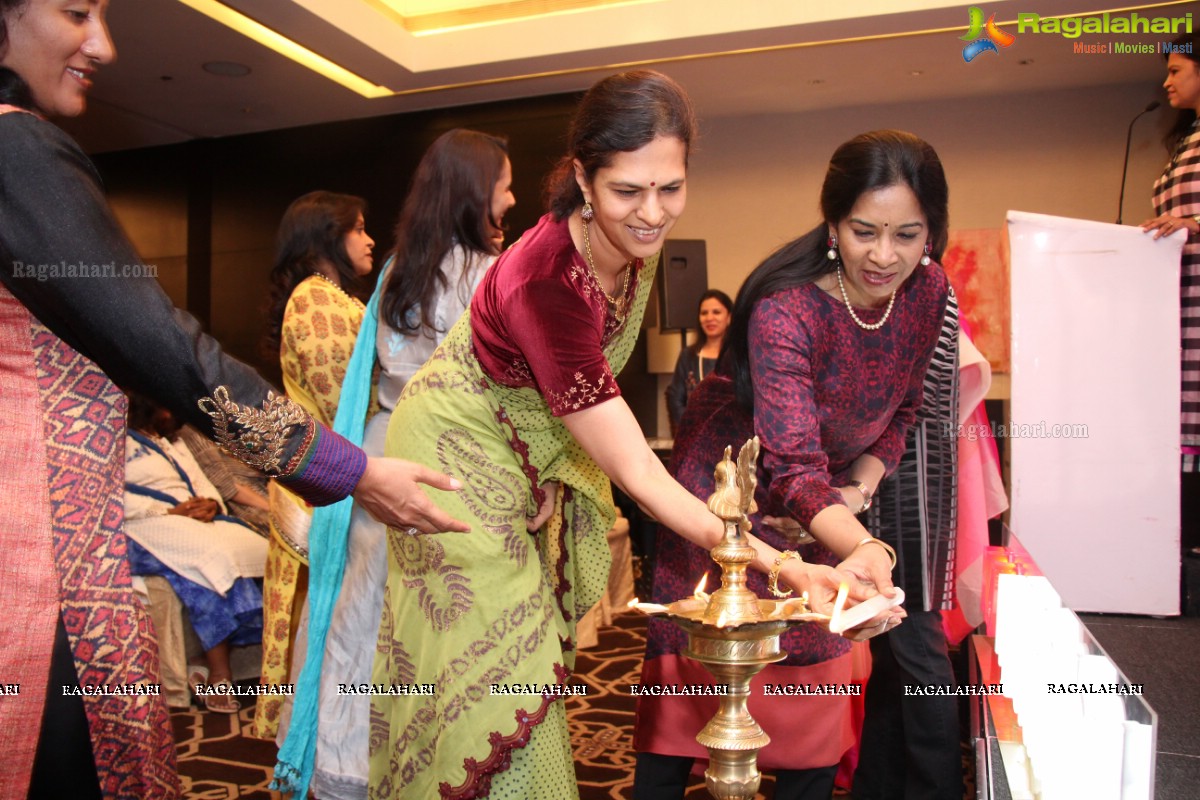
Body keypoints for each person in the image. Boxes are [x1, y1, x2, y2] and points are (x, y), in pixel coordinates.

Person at [343, 69, 896, 800]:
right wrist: (789, 568)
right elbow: (639, 469)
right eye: (627, 191)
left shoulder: (629, 247)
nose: (651, 213)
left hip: (518, 451)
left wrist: (544, 471)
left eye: (670, 188)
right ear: (582, 176)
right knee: (500, 677)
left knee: (522, 663)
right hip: (451, 455)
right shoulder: (545, 280)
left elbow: (559, 409)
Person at [0, 3, 465, 797]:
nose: (104, 43)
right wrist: (347, 469)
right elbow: (165, 348)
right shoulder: (16, 150)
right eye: (76, 9)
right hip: (36, 564)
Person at [634, 130, 958, 800]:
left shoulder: (928, 293)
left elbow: (905, 412)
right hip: (727, 489)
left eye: (907, 234)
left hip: (828, 504)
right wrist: (862, 542)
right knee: (700, 677)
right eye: (864, 231)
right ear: (833, 225)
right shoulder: (789, 307)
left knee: (815, 683)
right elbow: (791, 466)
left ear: (933, 233)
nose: (884, 255)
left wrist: (859, 495)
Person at [274, 128, 516, 800]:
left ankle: (345, 766)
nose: (513, 197)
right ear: (475, 190)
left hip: (379, 454)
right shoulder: (492, 275)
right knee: (439, 626)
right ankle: (433, 763)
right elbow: (506, 389)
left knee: (363, 614)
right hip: (449, 461)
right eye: (504, 185)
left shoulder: (398, 267)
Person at [253, 190, 374, 740]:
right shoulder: (317, 301)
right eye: (359, 228)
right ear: (329, 236)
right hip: (328, 489)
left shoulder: (325, 297)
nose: (370, 239)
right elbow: (342, 404)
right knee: (329, 634)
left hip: (332, 482)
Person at [123, 394, 266, 714]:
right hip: (141, 526)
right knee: (205, 557)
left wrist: (209, 504)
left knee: (258, 547)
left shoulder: (173, 442)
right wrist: (169, 510)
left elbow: (203, 485)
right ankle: (219, 674)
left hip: (190, 520)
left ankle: (212, 661)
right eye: (166, 404)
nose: (174, 414)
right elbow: (106, 495)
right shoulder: (112, 442)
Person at [1141, 32, 1200, 558]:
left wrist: (1193, 223)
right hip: (1182, 307)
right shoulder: (1187, 139)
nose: (1167, 80)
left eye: (1178, 69)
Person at [665, 288, 732, 434]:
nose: (709, 318)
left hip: (732, 436)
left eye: (716, 312)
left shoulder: (737, 356)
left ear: (729, 317)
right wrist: (694, 427)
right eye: (704, 313)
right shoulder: (688, 355)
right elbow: (676, 399)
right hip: (694, 435)